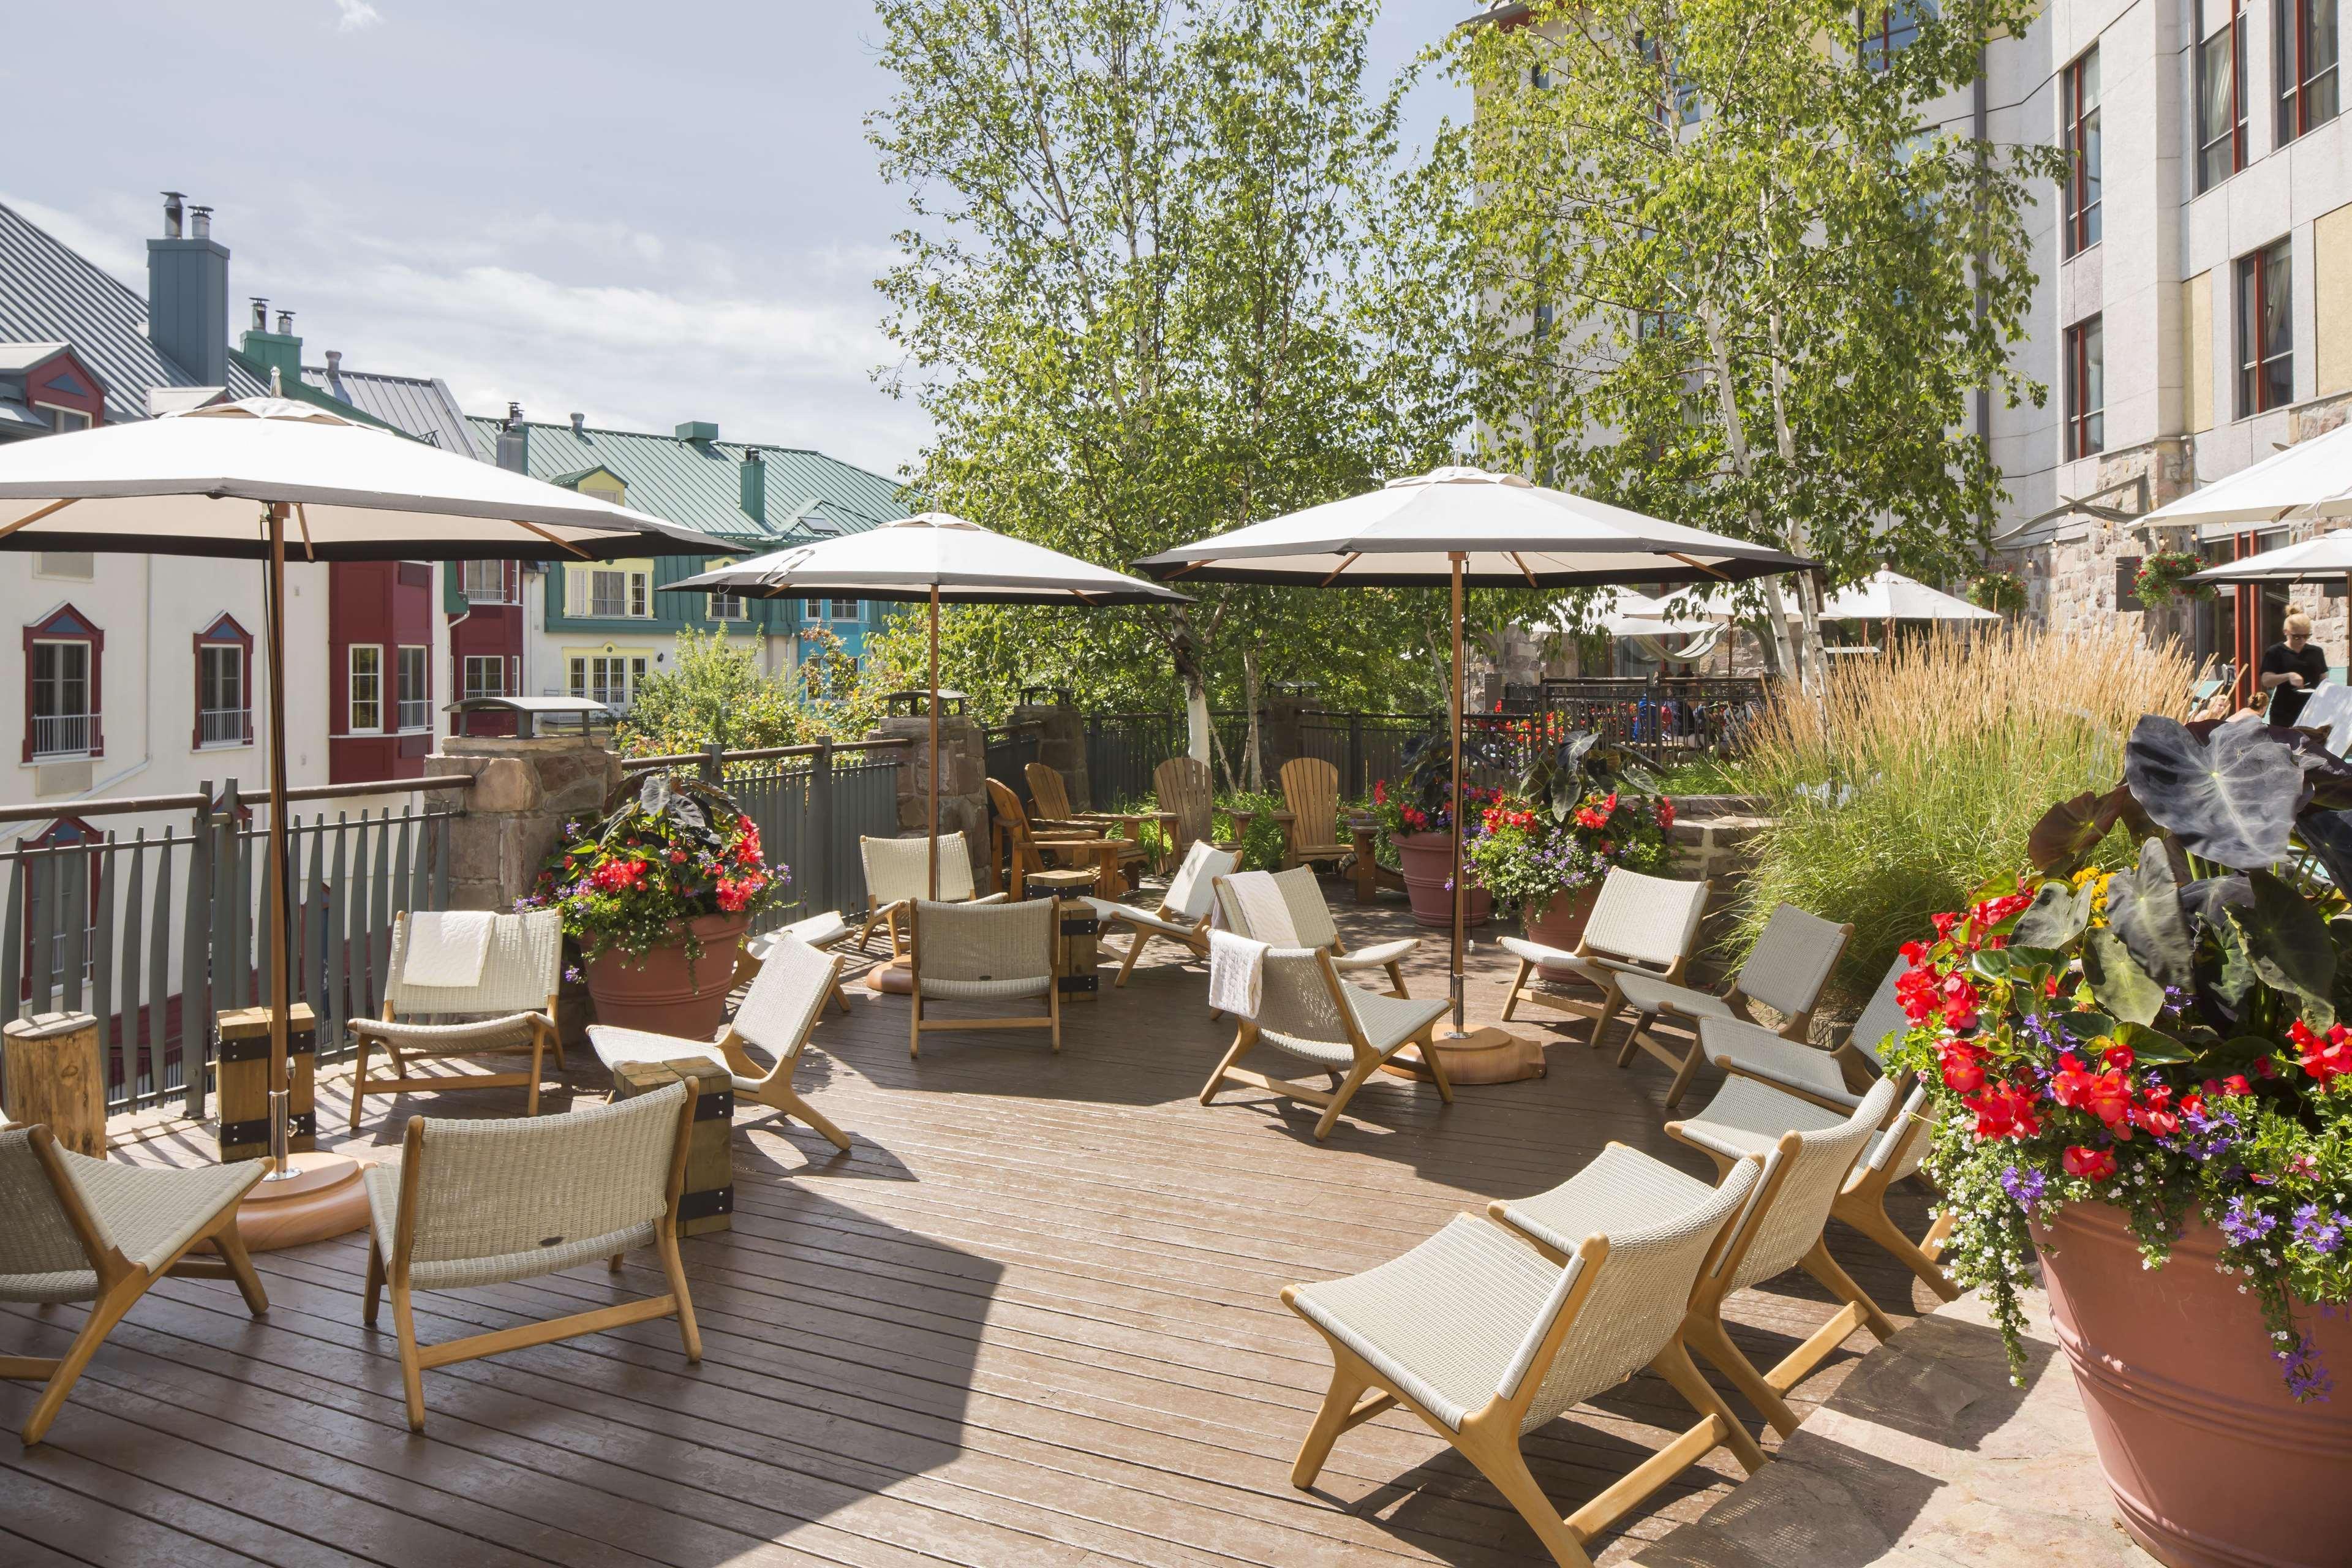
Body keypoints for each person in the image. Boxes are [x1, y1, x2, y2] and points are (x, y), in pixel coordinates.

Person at [2260, 606, 2331, 727]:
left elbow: (2323, 679)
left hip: (2313, 710)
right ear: (2286, 632)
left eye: (2306, 636)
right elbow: (2266, 680)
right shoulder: (2276, 652)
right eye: (2297, 637)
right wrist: (2288, 676)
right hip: (2284, 712)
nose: (2302, 641)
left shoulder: (2316, 652)